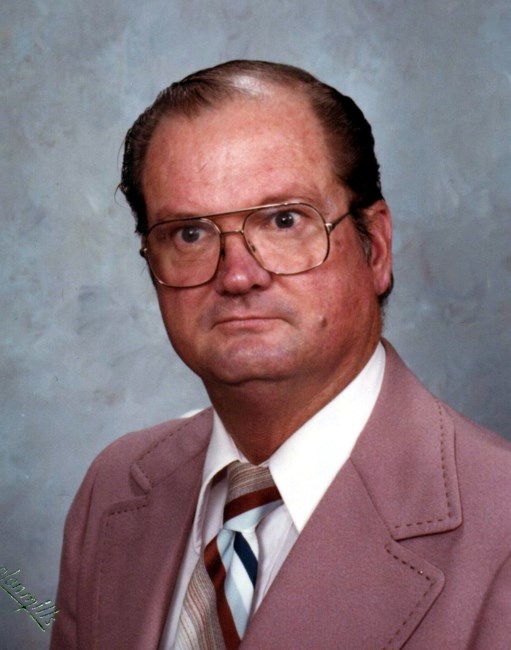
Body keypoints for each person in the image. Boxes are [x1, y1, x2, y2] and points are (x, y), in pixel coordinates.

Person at [51, 60, 511, 650]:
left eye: (284, 220)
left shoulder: (499, 527)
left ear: (375, 247)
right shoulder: (113, 488)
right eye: (189, 233)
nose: (238, 275)